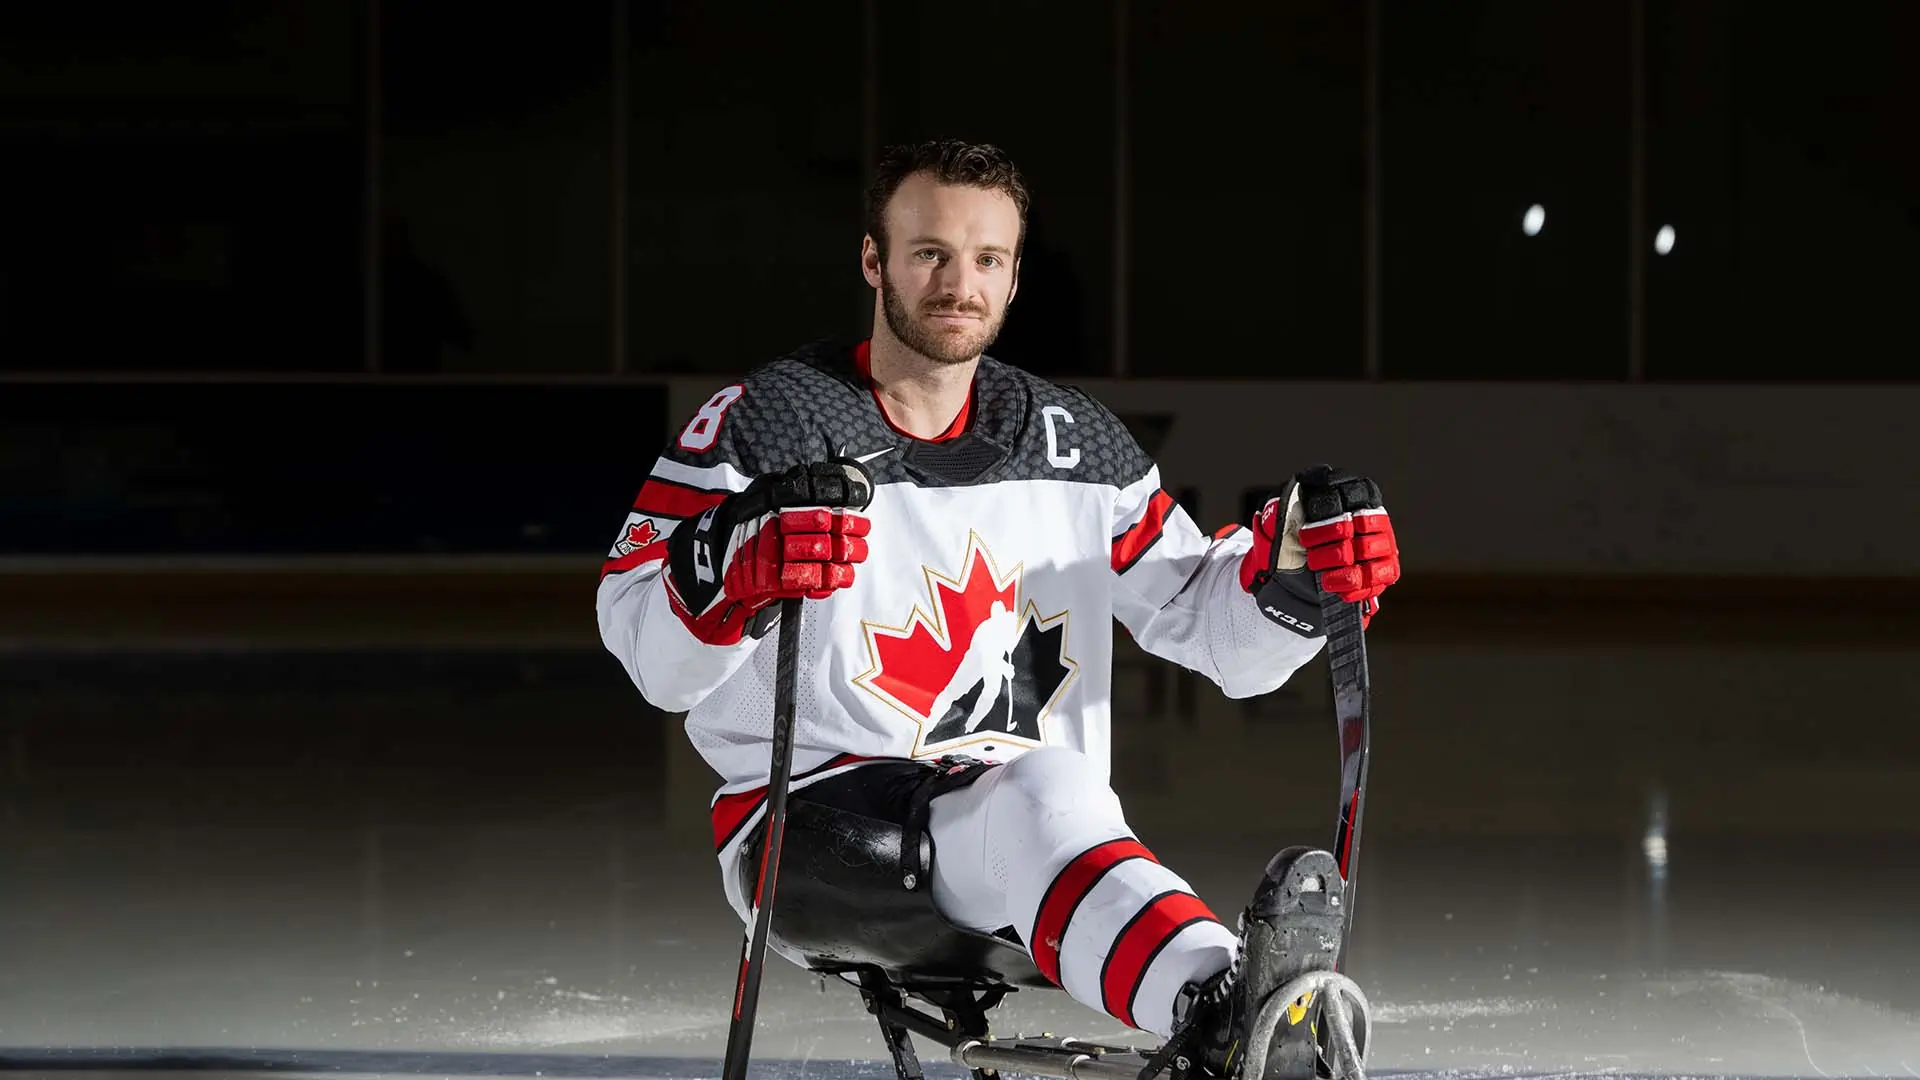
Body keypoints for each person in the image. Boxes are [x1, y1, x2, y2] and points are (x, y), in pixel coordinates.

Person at [596, 139, 1401, 1079]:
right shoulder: (768, 424)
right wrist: (723, 574)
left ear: (1015, 278)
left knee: (1040, 796)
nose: (958, 282)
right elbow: (645, 651)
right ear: (873, 261)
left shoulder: (1074, 443)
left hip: (1027, 824)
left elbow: (1212, 627)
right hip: (811, 824)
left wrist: (1297, 572)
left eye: (987, 259)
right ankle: (1239, 1016)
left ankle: (1244, 1022)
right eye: (928, 252)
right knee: (1042, 794)